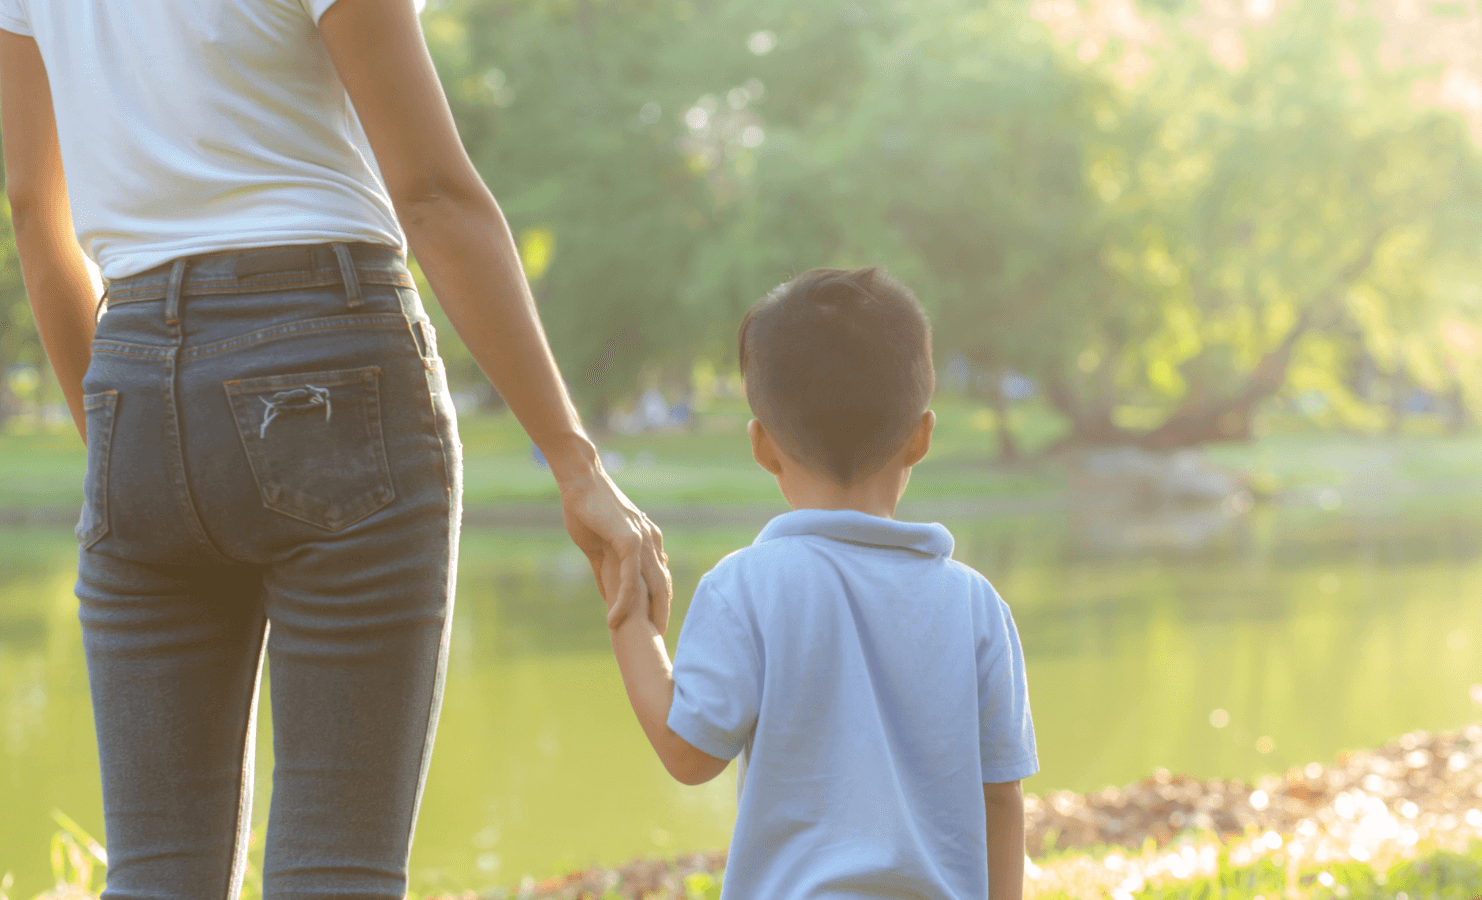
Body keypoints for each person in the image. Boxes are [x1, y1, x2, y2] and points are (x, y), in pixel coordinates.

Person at [0, 0, 670, 897]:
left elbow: (35, 208)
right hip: (330, 350)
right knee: (336, 869)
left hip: (128, 361)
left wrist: (129, 451)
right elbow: (430, 195)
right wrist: (577, 465)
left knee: (155, 875)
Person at [605, 267, 1037, 899]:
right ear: (920, 437)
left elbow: (688, 750)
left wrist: (631, 623)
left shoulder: (747, 586)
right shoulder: (978, 605)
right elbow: (1001, 799)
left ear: (763, 447)